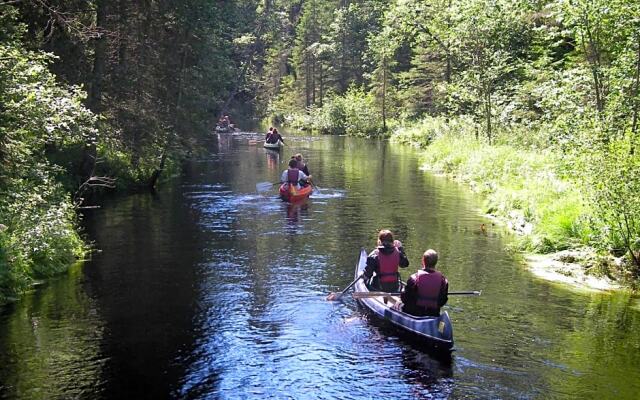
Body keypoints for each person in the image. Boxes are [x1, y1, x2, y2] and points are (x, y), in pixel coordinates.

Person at [399, 249, 448, 317]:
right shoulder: (443, 281)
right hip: (433, 314)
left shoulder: (414, 278)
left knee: (398, 304)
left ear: (423, 260)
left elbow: (405, 299)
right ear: (436, 262)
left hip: (413, 314)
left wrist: (402, 291)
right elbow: (443, 301)